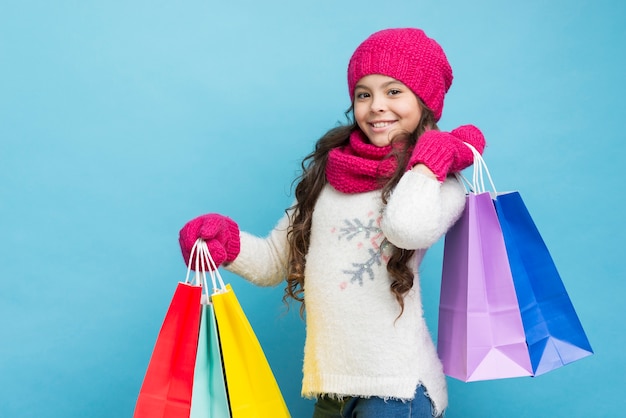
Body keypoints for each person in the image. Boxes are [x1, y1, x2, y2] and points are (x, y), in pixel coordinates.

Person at [179, 27, 485, 418]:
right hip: (332, 390)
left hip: (395, 390)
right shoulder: (328, 175)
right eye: (363, 93)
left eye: (394, 91)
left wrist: (430, 161)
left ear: (425, 101)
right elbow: (277, 260)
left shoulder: (437, 181)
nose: (376, 105)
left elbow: (407, 228)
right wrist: (226, 243)